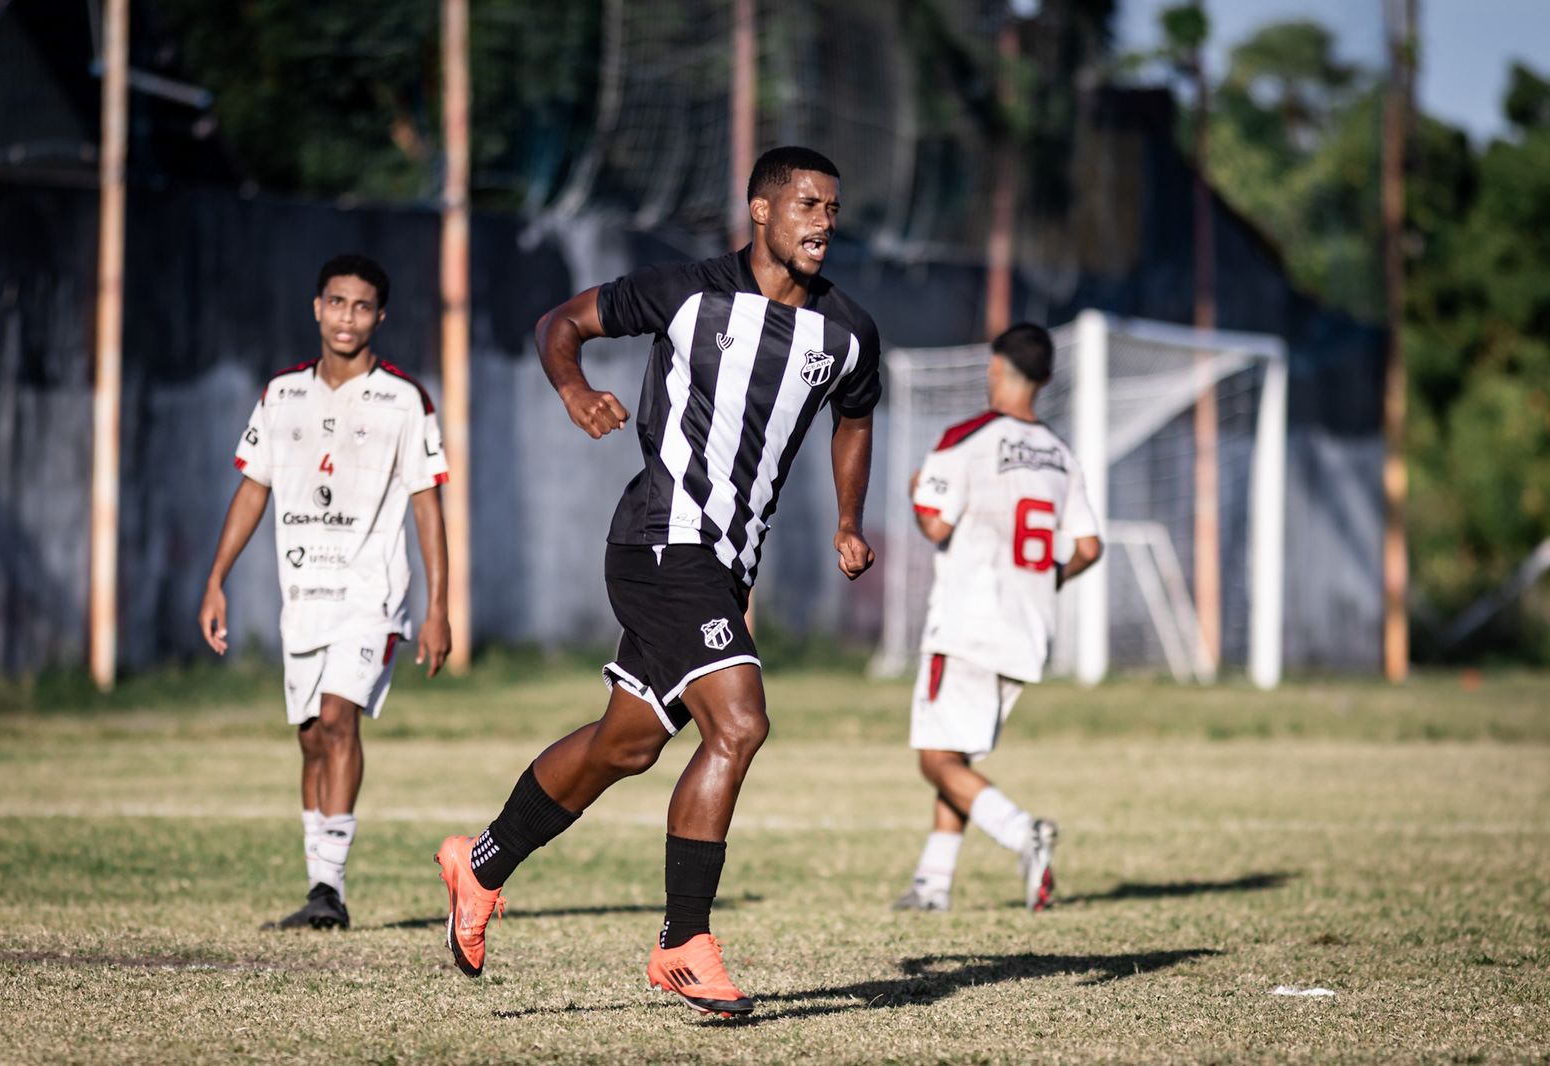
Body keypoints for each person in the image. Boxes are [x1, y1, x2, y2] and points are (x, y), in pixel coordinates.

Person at [433, 146, 879, 1018]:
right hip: (660, 539)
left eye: (833, 206)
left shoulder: (849, 331)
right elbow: (560, 323)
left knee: (626, 744)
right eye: (807, 204)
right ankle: (683, 942)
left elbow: (855, 419)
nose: (824, 221)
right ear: (761, 211)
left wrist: (849, 518)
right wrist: (572, 389)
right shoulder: (685, 292)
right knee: (740, 723)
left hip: (725, 562)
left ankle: (477, 866)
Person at [199, 253, 452, 930]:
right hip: (303, 594)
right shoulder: (281, 395)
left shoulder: (405, 399)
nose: (348, 317)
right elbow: (253, 487)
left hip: (372, 594)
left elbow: (428, 505)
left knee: (340, 722)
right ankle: (319, 886)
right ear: (317, 308)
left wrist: (439, 608)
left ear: (380, 317)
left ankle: (331, 892)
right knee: (312, 736)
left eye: (362, 306)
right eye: (337, 303)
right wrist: (216, 580)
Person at [891, 322, 1102, 914]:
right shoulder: (1061, 456)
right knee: (955, 758)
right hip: (1027, 632)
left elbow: (935, 523)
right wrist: (1041, 582)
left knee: (935, 759)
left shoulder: (968, 436)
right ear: (1046, 378)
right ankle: (933, 883)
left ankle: (1022, 833)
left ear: (996, 368)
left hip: (967, 624)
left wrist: (917, 493)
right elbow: (1087, 548)